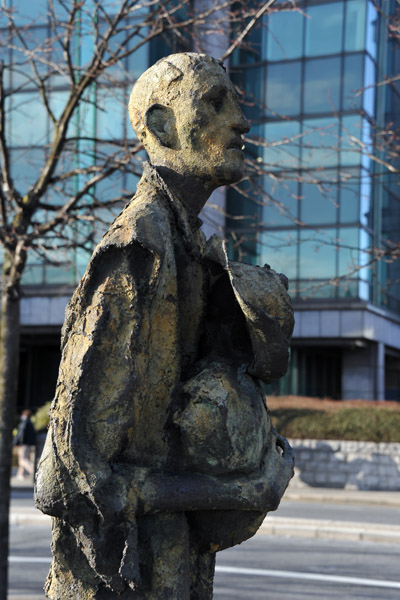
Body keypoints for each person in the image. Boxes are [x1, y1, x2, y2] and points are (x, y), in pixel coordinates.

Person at [35, 53, 294, 599]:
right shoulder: (138, 257)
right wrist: (243, 491)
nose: (241, 122)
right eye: (215, 103)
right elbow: (63, 482)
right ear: (161, 125)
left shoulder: (190, 250)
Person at [14, 409, 36, 479]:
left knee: (22, 460)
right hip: (28, 444)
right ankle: (20, 474)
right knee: (23, 459)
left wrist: (17, 442)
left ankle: (33, 470)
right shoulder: (30, 423)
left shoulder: (24, 423)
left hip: (23, 444)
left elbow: (21, 434)